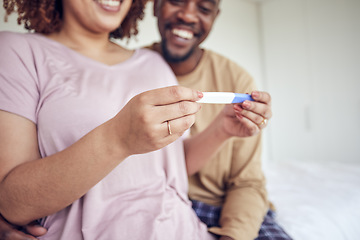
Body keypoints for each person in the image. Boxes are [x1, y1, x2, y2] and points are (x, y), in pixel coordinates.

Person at [0, 0, 264, 239]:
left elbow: (172, 164)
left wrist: (222, 130)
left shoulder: (154, 63)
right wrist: (117, 138)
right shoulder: (17, 52)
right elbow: (13, 203)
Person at [148, 0, 293, 240]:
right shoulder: (130, 69)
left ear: (215, 17)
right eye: (176, 1)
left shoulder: (238, 81)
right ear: (156, 6)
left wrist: (234, 234)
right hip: (157, 204)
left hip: (220, 207)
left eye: (203, 9)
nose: (188, 16)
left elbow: (247, 182)